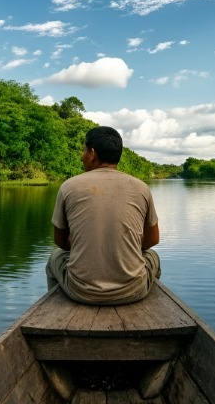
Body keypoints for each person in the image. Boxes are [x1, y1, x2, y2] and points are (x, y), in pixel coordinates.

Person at [46, 126, 161, 305]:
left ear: (92, 153)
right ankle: (151, 309)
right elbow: (153, 239)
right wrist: (124, 246)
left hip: (81, 291)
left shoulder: (69, 187)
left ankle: (55, 309)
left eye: (84, 150)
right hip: (133, 291)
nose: (82, 156)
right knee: (152, 256)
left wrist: (86, 243)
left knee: (55, 257)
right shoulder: (141, 188)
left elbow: (60, 242)